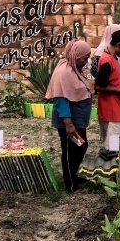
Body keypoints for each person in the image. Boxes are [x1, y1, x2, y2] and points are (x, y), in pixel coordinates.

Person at [45, 40, 92, 194]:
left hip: (77, 121)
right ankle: (70, 184)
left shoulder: (73, 70)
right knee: (69, 151)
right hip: (69, 122)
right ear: (75, 55)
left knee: (81, 146)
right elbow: (61, 99)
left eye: (87, 58)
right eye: (84, 58)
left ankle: (73, 176)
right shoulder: (63, 72)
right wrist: (69, 124)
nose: (85, 62)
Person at [94, 30, 120, 152]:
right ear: (119, 44)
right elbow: (98, 86)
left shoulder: (113, 58)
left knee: (110, 142)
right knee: (112, 146)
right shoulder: (107, 61)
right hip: (111, 109)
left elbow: (112, 80)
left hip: (114, 107)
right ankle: (110, 168)